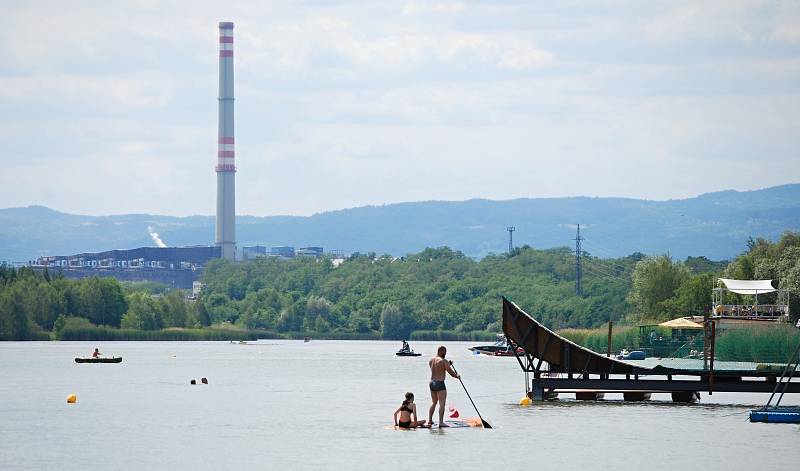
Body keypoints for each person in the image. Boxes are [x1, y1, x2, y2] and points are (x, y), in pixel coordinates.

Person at [428, 345, 460, 428]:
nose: (445, 354)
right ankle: (441, 422)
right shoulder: (443, 361)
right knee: (442, 404)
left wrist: (448, 364)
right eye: (445, 352)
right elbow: (451, 373)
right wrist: (457, 376)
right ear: (441, 351)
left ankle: (430, 420)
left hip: (432, 383)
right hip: (440, 383)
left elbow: (438, 368)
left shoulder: (431, 360)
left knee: (434, 403)